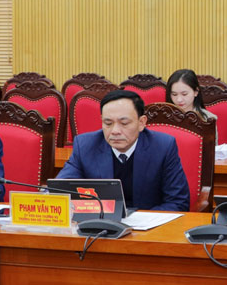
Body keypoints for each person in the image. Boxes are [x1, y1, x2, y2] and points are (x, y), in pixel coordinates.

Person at [57, 90, 189, 212]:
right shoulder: (85, 145)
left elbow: (178, 202)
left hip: (149, 225)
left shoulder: (163, 147)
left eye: (124, 123)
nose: (115, 131)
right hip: (100, 224)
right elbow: (60, 191)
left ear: (141, 123)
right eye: (108, 123)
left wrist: (138, 220)